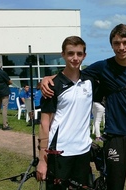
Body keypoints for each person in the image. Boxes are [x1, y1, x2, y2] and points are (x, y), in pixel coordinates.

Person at [41, 24, 126, 190]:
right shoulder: (102, 67)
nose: (121, 47)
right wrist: (47, 78)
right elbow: (73, 72)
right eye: (116, 43)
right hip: (115, 137)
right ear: (111, 44)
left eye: (125, 42)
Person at [36, 36, 94, 189]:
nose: (75, 58)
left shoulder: (90, 81)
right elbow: (44, 123)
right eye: (70, 53)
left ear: (84, 56)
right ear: (63, 54)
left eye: (79, 54)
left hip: (83, 151)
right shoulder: (52, 86)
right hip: (58, 152)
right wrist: (42, 160)